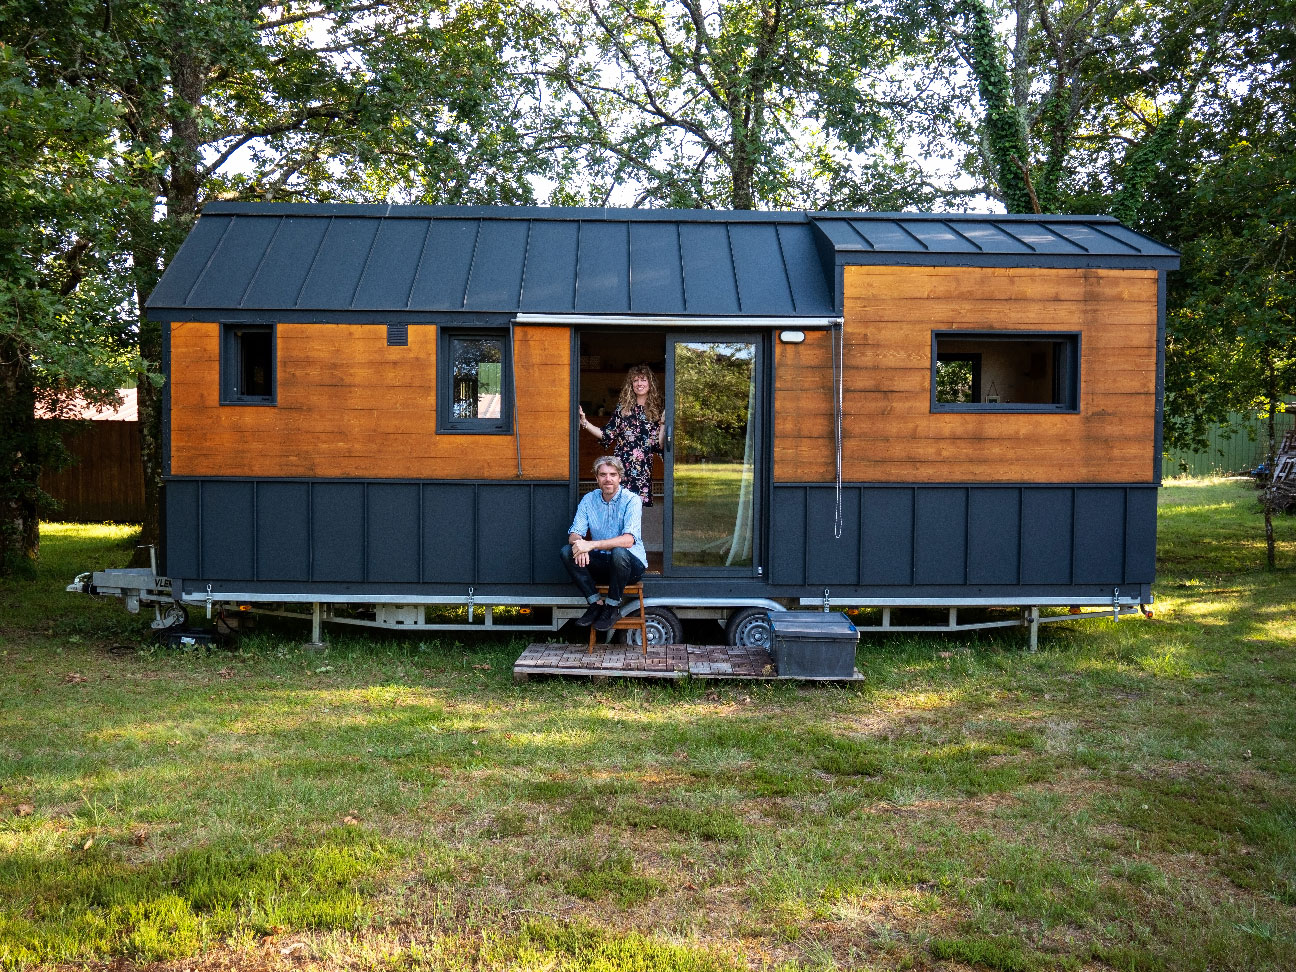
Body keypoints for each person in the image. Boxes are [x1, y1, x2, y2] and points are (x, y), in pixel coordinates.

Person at [560, 456, 647, 631]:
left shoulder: (632, 500)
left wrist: (590, 545)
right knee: (567, 551)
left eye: (613, 474)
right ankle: (596, 604)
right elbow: (574, 534)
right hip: (602, 564)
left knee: (619, 552)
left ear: (620, 478)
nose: (608, 479)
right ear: (596, 478)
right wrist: (580, 545)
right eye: (603, 474)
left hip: (629, 566)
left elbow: (628, 540)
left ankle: (612, 607)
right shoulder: (588, 500)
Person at [577, 365, 665, 506]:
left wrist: (664, 423)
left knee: (636, 513)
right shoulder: (623, 409)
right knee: (617, 508)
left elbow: (659, 444)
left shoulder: (657, 411)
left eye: (643, 380)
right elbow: (606, 435)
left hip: (642, 471)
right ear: (631, 384)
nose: (639, 384)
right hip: (620, 470)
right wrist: (585, 422)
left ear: (650, 383)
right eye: (635, 380)